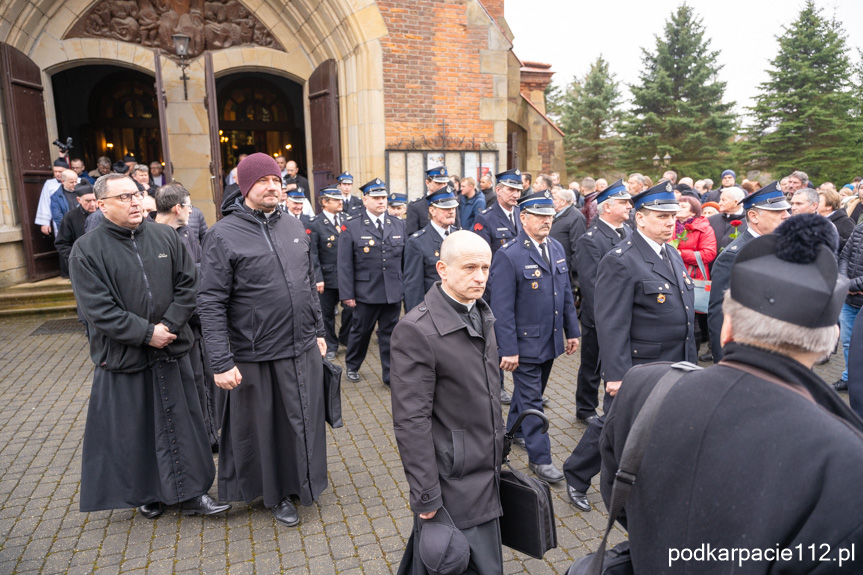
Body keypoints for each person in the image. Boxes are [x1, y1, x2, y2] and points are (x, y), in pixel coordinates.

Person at [595, 214, 863, 575]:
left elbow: (618, 496)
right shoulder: (846, 459)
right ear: (830, 341)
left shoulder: (645, 387)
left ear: (727, 329)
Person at [68, 173, 227, 519]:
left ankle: (193, 494)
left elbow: (189, 286)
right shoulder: (87, 250)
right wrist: (145, 333)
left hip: (172, 349)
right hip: (127, 356)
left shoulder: (165, 236)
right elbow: (98, 309)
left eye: (137, 194)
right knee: (137, 430)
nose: (135, 201)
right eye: (124, 197)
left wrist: (167, 326)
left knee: (185, 425)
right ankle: (147, 493)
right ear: (101, 205)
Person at [197, 153, 328, 527]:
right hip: (256, 352)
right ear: (245, 187)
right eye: (262, 181)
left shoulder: (292, 225)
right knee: (267, 430)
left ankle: (305, 480)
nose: (273, 187)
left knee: (302, 419)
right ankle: (275, 495)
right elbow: (210, 302)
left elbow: (307, 285)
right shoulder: (222, 234)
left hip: (300, 345)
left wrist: (318, 332)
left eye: (277, 180)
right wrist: (220, 362)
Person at [391, 231, 504, 574]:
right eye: (470, 267)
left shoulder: (481, 313)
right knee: (456, 561)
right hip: (453, 479)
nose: (480, 276)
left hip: (486, 468)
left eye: (485, 267)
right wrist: (426, 494)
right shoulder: (417, 331)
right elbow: (411, 420)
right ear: (442, 268)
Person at [489, 190, 580, 483]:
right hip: (524, 346)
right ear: (523, 217)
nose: (546, 220)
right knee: (532, 400)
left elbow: (564, 294)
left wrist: (572, 331)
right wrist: (509, 349)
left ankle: (510, 432)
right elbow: (501, 309)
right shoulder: (509, 255)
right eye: (540, 215)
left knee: (527, 395)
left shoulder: (555, 248)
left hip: (550, 340)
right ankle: (540, 459)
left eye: (550, 215)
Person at [153, 183, 219, 451]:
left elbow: (200, 273)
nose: (192, 211)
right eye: (189, 206)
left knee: (205, 382)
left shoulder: (189, 232)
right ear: (177, 208)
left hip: (199, 323)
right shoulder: (152, 237)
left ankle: (211, 434)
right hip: (176, 329)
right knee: (187, 388)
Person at [706, 182, 790, 362]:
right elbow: (720, 316)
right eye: (778, 212)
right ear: (753, 216)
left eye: (786, 210)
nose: (787, 216)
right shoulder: (734, 256)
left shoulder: (784, 245)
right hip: (754, 355)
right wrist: (726, 364)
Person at [338, 178, 406, 385]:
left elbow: (404, 262)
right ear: (365, 200)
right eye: (376, 198)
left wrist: (404, 288)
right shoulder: (351, 226)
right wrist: (347, 294)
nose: (381, 202)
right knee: (361, 332)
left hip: (392, 292)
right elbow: (345, 264)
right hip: (366, 292)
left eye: (383, 198)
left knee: (390, 336)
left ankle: (389, 375)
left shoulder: (398, 224)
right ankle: (352, 365)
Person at [306, 186, 352, 362]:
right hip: (326, 278)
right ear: (325, 202)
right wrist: (318, 278)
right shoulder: (315, 223)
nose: (341, 201)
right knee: (326, 315)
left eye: (340, 198)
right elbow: (313, 253)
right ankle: (331, 345)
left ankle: (345, 338)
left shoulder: (347, 219)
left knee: (350, 310)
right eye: (335, 199)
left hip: (346, 277)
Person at [404, 187, 459, 312]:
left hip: (458, 307)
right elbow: (413, 287)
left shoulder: (459, 236)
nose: (451, 211)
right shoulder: (417, 242)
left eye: (453, 208)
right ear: (432, 210)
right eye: (446, 208)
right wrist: (417, 318)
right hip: (434, 309)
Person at [834, 220, 863, 392]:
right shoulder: (860, 226)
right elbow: (844, 255)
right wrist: (845, 282)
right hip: (849, 301)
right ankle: (850, 378)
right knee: (848, 343)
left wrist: (849, 286)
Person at [471, 168, 522, 259]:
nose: (516, 195)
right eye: (511, 190)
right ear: (498, 190)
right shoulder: (485, 218)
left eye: (518, 191)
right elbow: (482, 256)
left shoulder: (522, 214)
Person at [549, 186, 587, 300]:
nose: (552, 201)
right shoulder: (557, 215)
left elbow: (578, 247)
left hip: (567, 270)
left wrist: (574, 275)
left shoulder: (576, 217)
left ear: (563, 202)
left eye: (555, 199)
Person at [55, 182, 97, 277]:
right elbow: (62, 243)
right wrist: (77, 258)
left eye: (95, 200)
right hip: (80, 266)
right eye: (88, 201)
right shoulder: (70, 217)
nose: (93, 204)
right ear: (79, 200)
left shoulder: (105, 213)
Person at [407, 166, 450, 235]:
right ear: (428, 183)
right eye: (438, 183)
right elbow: (412, 237)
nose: (442, 187)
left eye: (445, 183)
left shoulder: (451, 204)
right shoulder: (416, 206)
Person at [35, 159, 68, 236]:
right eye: (55, 171)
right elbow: (45, 202)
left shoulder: (77, 181)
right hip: (59, 219)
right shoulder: (49, 184)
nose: (57, 174)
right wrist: (45, 222)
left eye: (60, 172)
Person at [818, 188, 855, 252]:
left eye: (818, 202)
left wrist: (829, 235)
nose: (814, 204)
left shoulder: (845, 221)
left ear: (829, 206)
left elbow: (852, 245)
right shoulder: (815, 220)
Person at [49, 169, 80, 233]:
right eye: (71, 182)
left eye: (76, 181)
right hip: (68, 230)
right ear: (62, 181)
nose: (74, 184)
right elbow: (58, 217)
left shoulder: (81, 192)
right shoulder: (56, 196)